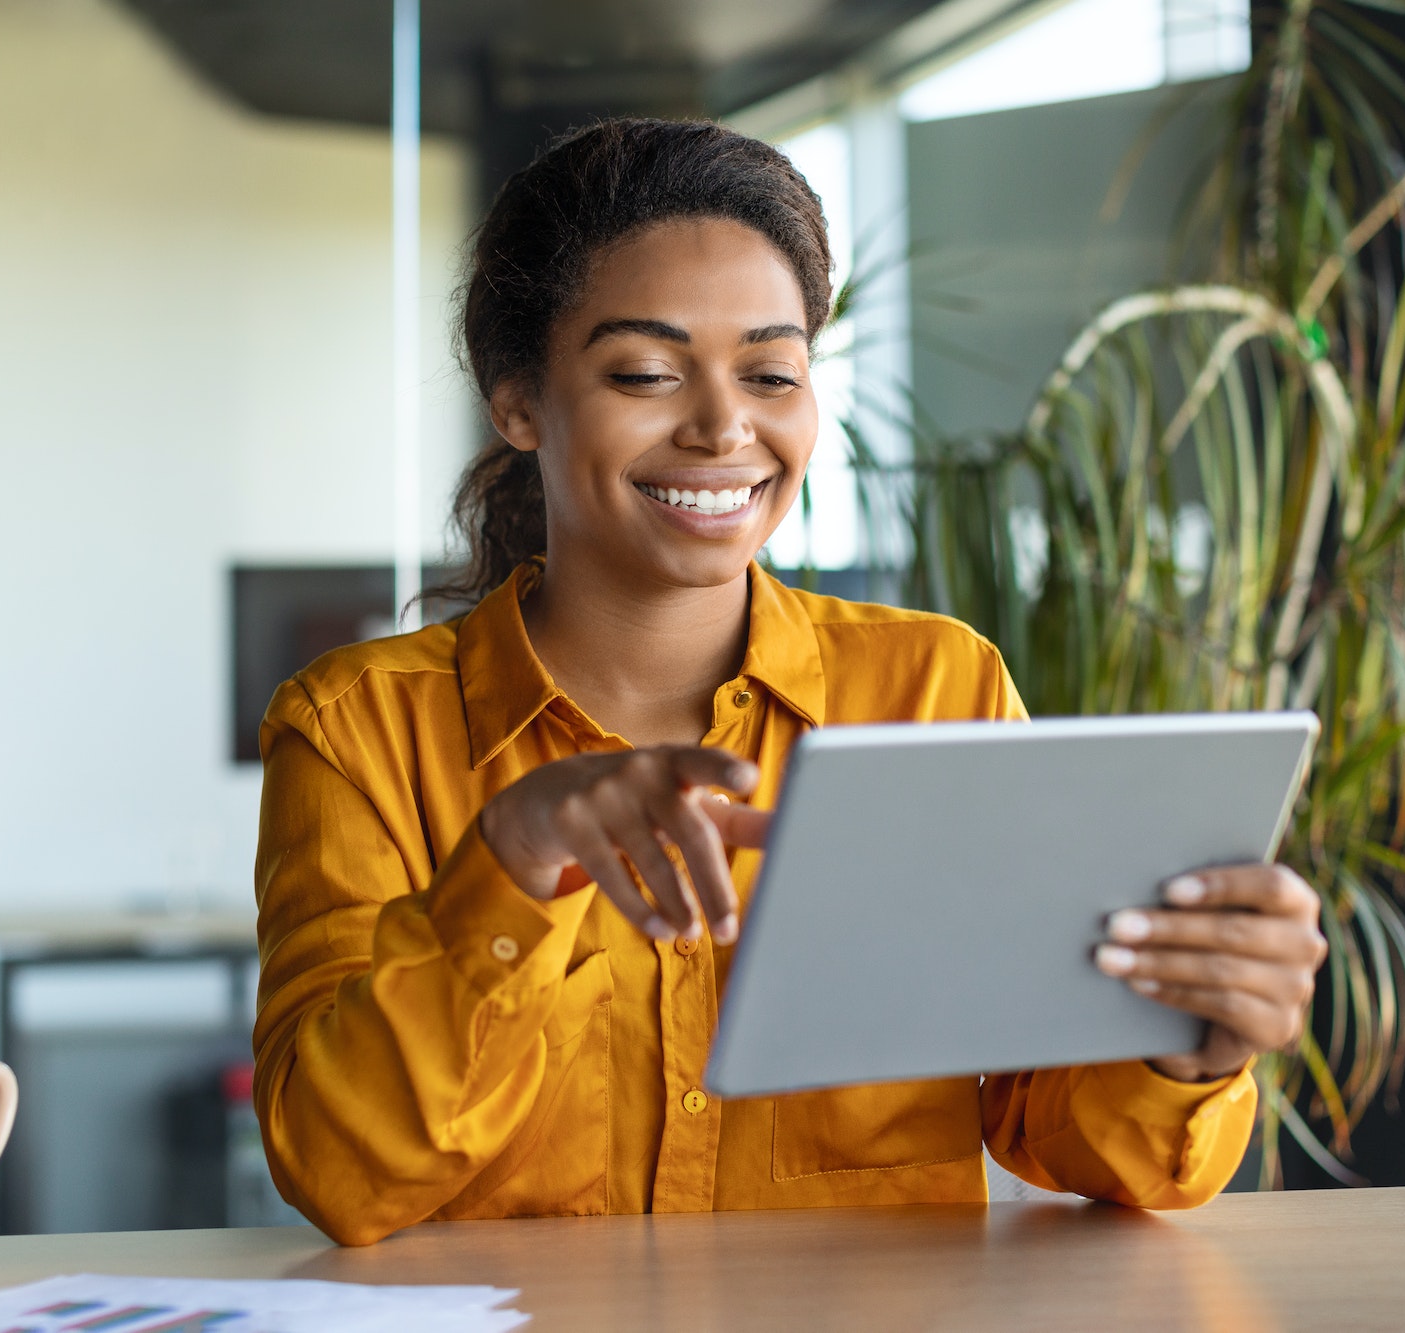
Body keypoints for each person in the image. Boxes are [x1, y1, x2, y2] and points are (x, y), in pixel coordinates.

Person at [251, 118, 1328, 1246]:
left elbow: (1062, 1131)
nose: (723, 427)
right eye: (646, 373)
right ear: (516, 401)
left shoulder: (933, 687)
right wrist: (510, 868)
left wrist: (1182, 1040)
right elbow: (338, 1171)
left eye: (769, 372)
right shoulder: (354, 728)